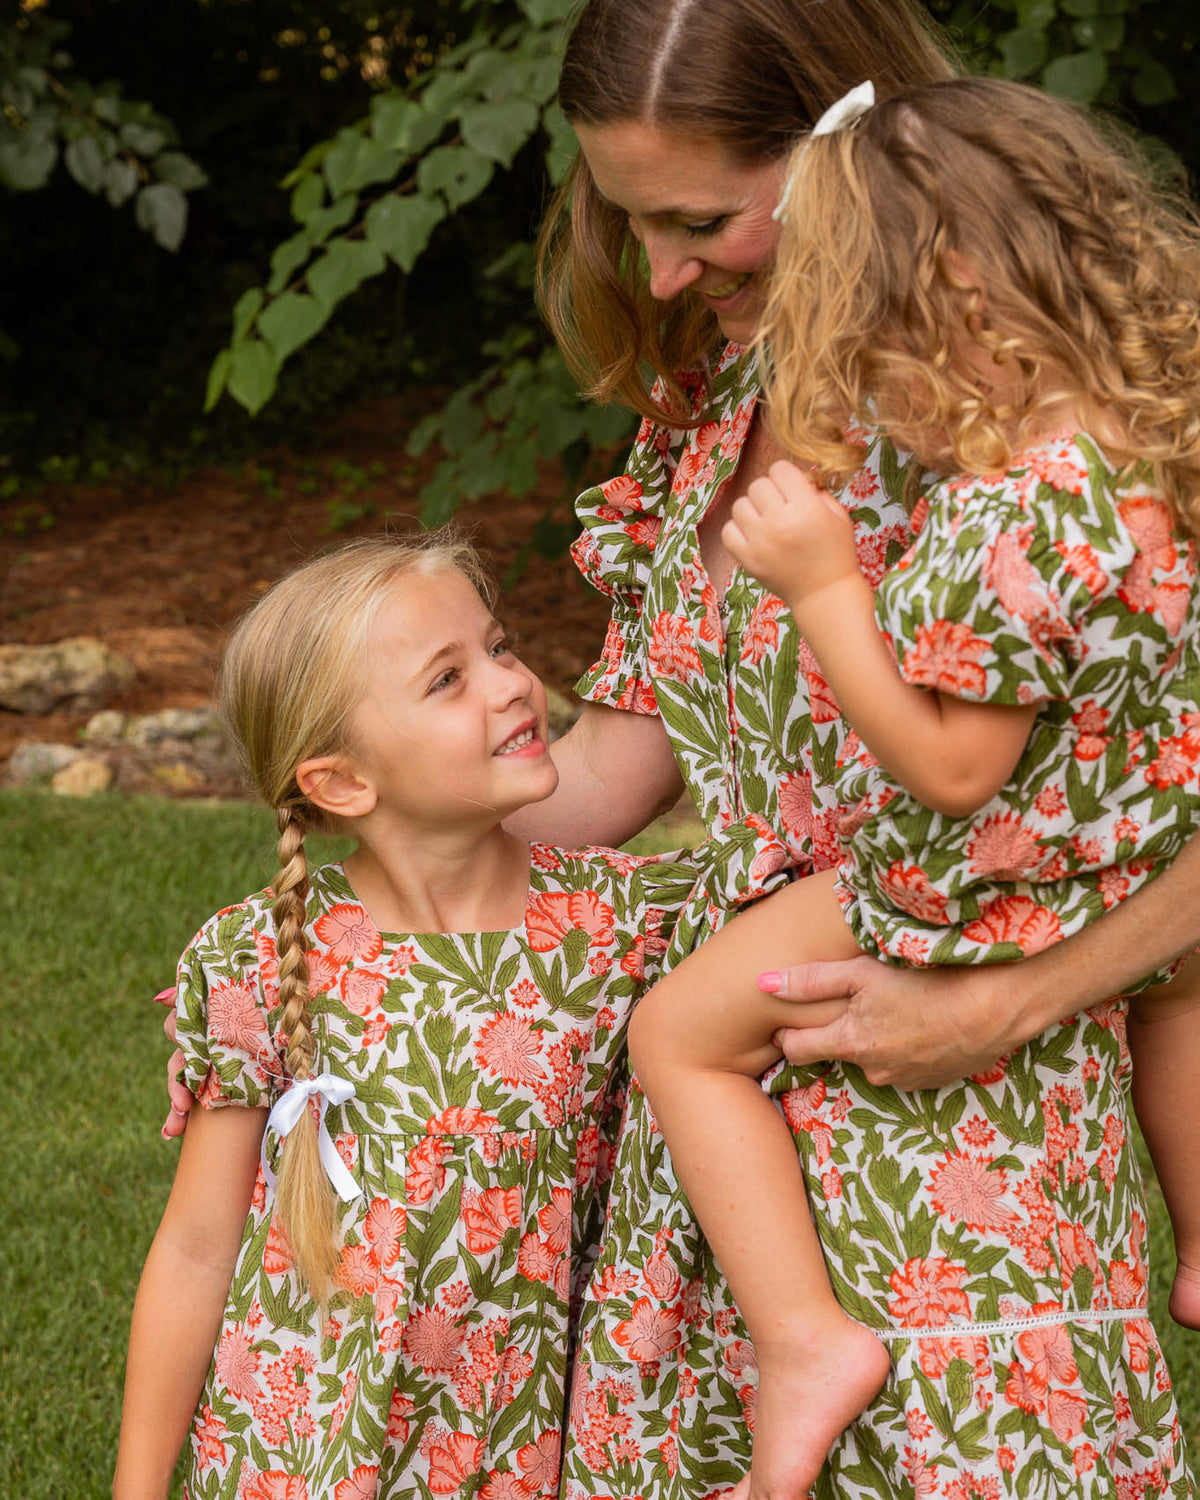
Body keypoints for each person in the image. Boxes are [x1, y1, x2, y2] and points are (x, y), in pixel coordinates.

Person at [156, 0, 1200, 1492]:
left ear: (849, 158)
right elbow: (605, 782)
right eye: (628, 221)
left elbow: (1157, 799)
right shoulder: (715, 428)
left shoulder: (1023, 425)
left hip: (968, 1159)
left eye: (701, 218)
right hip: (723, 1182)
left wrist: (1008, 1004)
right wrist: (366, 855)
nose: (656, 272)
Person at [626, 76, 1200, 1500]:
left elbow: (951, 769)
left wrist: (827, 588)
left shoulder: (1002, 516)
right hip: (1132, 866)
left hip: (968, 890)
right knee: (1180, 983)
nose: (889, 408)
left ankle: (804, 1338)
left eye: (877, 359)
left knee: (680, 1034)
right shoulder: (1153, 469)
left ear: (953, 301)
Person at [113, 534, 699, 1499]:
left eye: (499, 646)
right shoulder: (266, 956)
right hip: (316, 1438)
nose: (512, 684)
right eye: (447, 680)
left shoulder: (626, 927)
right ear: (342, 782)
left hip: (527, 1424)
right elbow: (195, 1245)